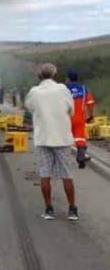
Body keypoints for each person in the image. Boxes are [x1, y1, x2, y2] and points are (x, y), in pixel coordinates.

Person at [25, 63, 79, 221]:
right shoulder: (63, 89)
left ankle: (49, 209)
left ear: (39, 76)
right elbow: (71, 110)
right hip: (61, 138)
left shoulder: (34, 92)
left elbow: (30, 108)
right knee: (66, 175)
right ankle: (72, 209)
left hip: (43, 139)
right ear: (55, 75)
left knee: (45, 174)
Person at [65, 70, 95, 169]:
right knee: (80, 138)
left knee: (64, 139)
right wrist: (90, 115)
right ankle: (81, 157)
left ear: (68, 79)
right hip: (79, 118)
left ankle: (63, 161)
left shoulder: (64, 89)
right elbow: (90, 102)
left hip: (66, 118)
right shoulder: (83, 89)